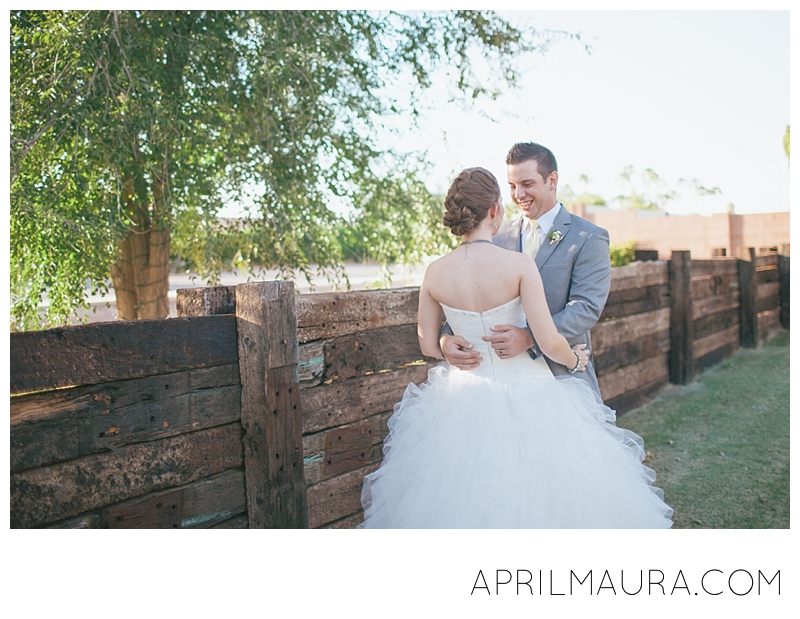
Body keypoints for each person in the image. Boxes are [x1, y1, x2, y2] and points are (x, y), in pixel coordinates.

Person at [359, 167, 672, 528]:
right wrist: (574, 361)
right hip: (530, 394)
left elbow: (428, 343)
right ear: (494, 210)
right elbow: (551, 340)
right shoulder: (518, 264)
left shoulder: (435, 271)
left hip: (460, 401)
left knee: (461, 500)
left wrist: (447, 343)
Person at [440, 142, 611, 396]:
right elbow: (469, 293)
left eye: (527, 184)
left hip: (563, 374)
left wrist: (530, 337)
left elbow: (586, 307)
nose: (519, 194)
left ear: (552, 181)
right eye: (511, 186)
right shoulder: (496, 237)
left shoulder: (588, 237)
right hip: (504, 384)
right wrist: (446, 338)